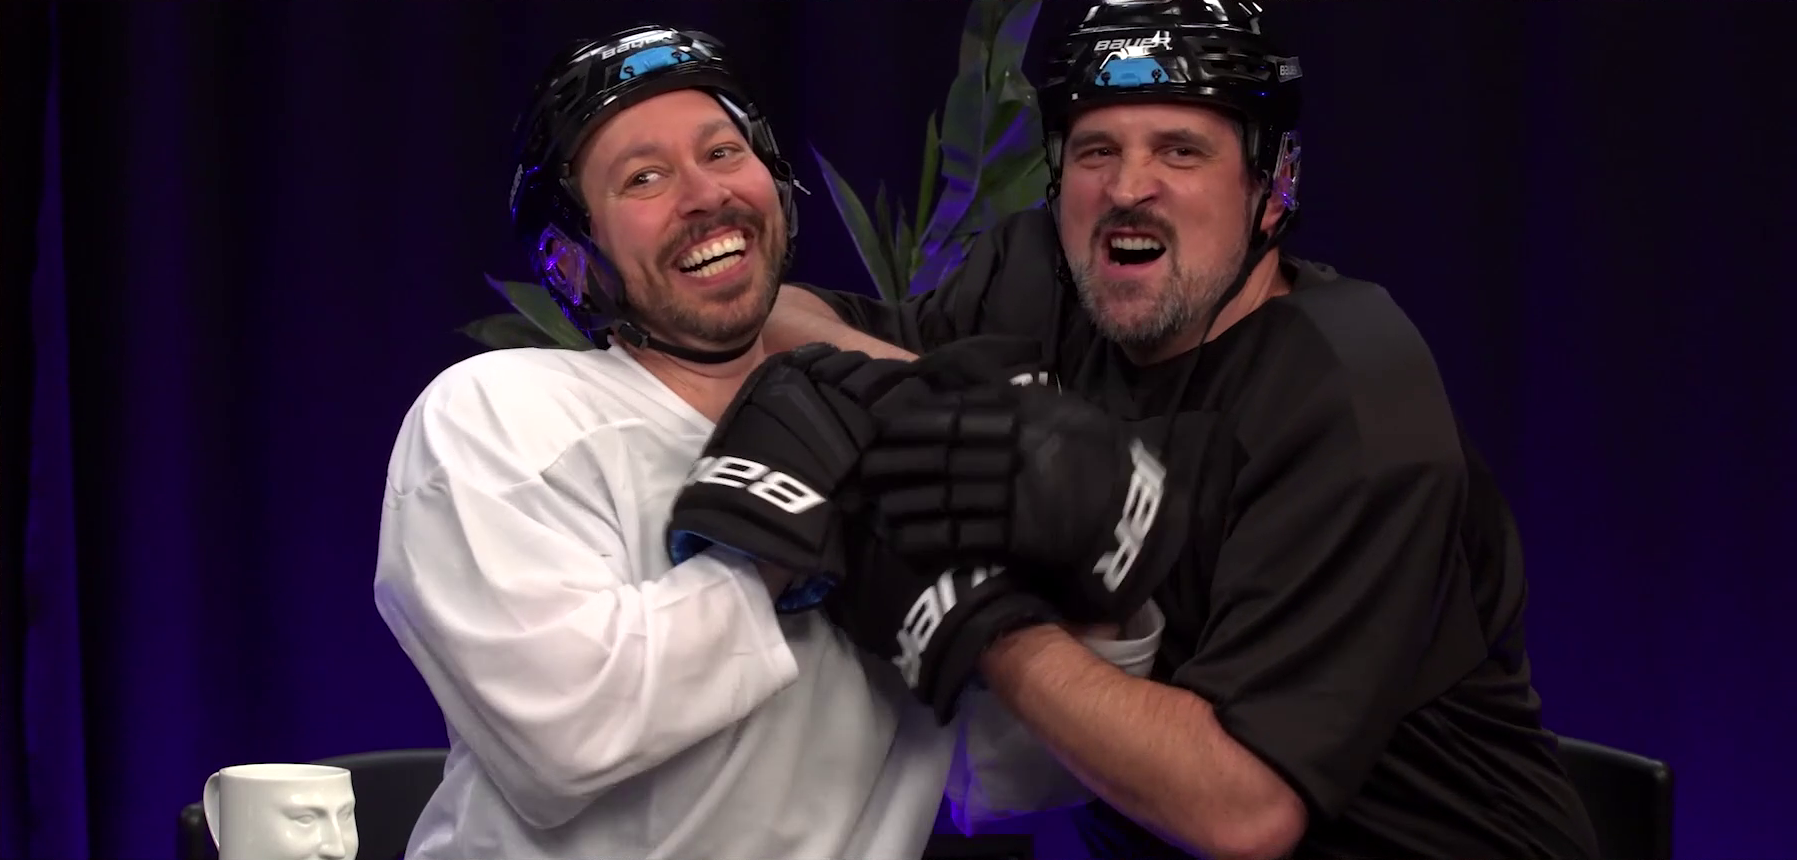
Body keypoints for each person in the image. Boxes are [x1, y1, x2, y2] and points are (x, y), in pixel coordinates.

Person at [756, 1, 1604, 857]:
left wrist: (978, 616)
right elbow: (794, 321)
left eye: (1181, 150)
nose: (1127, 188)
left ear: (1275, 188)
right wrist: (929, 408)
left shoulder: (1353, 396)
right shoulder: (1038, 282)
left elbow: (1243, 810)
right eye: (1097, 151)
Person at [369, 23, 1161, 860]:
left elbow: (999, 777)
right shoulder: (500, 412)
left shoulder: (891, 438)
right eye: (644, 177)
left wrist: (1097, 587)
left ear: (776, 187)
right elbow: (563, 734)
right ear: (571, 260)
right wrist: (777, 539)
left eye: (722, 152)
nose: (705, 195)